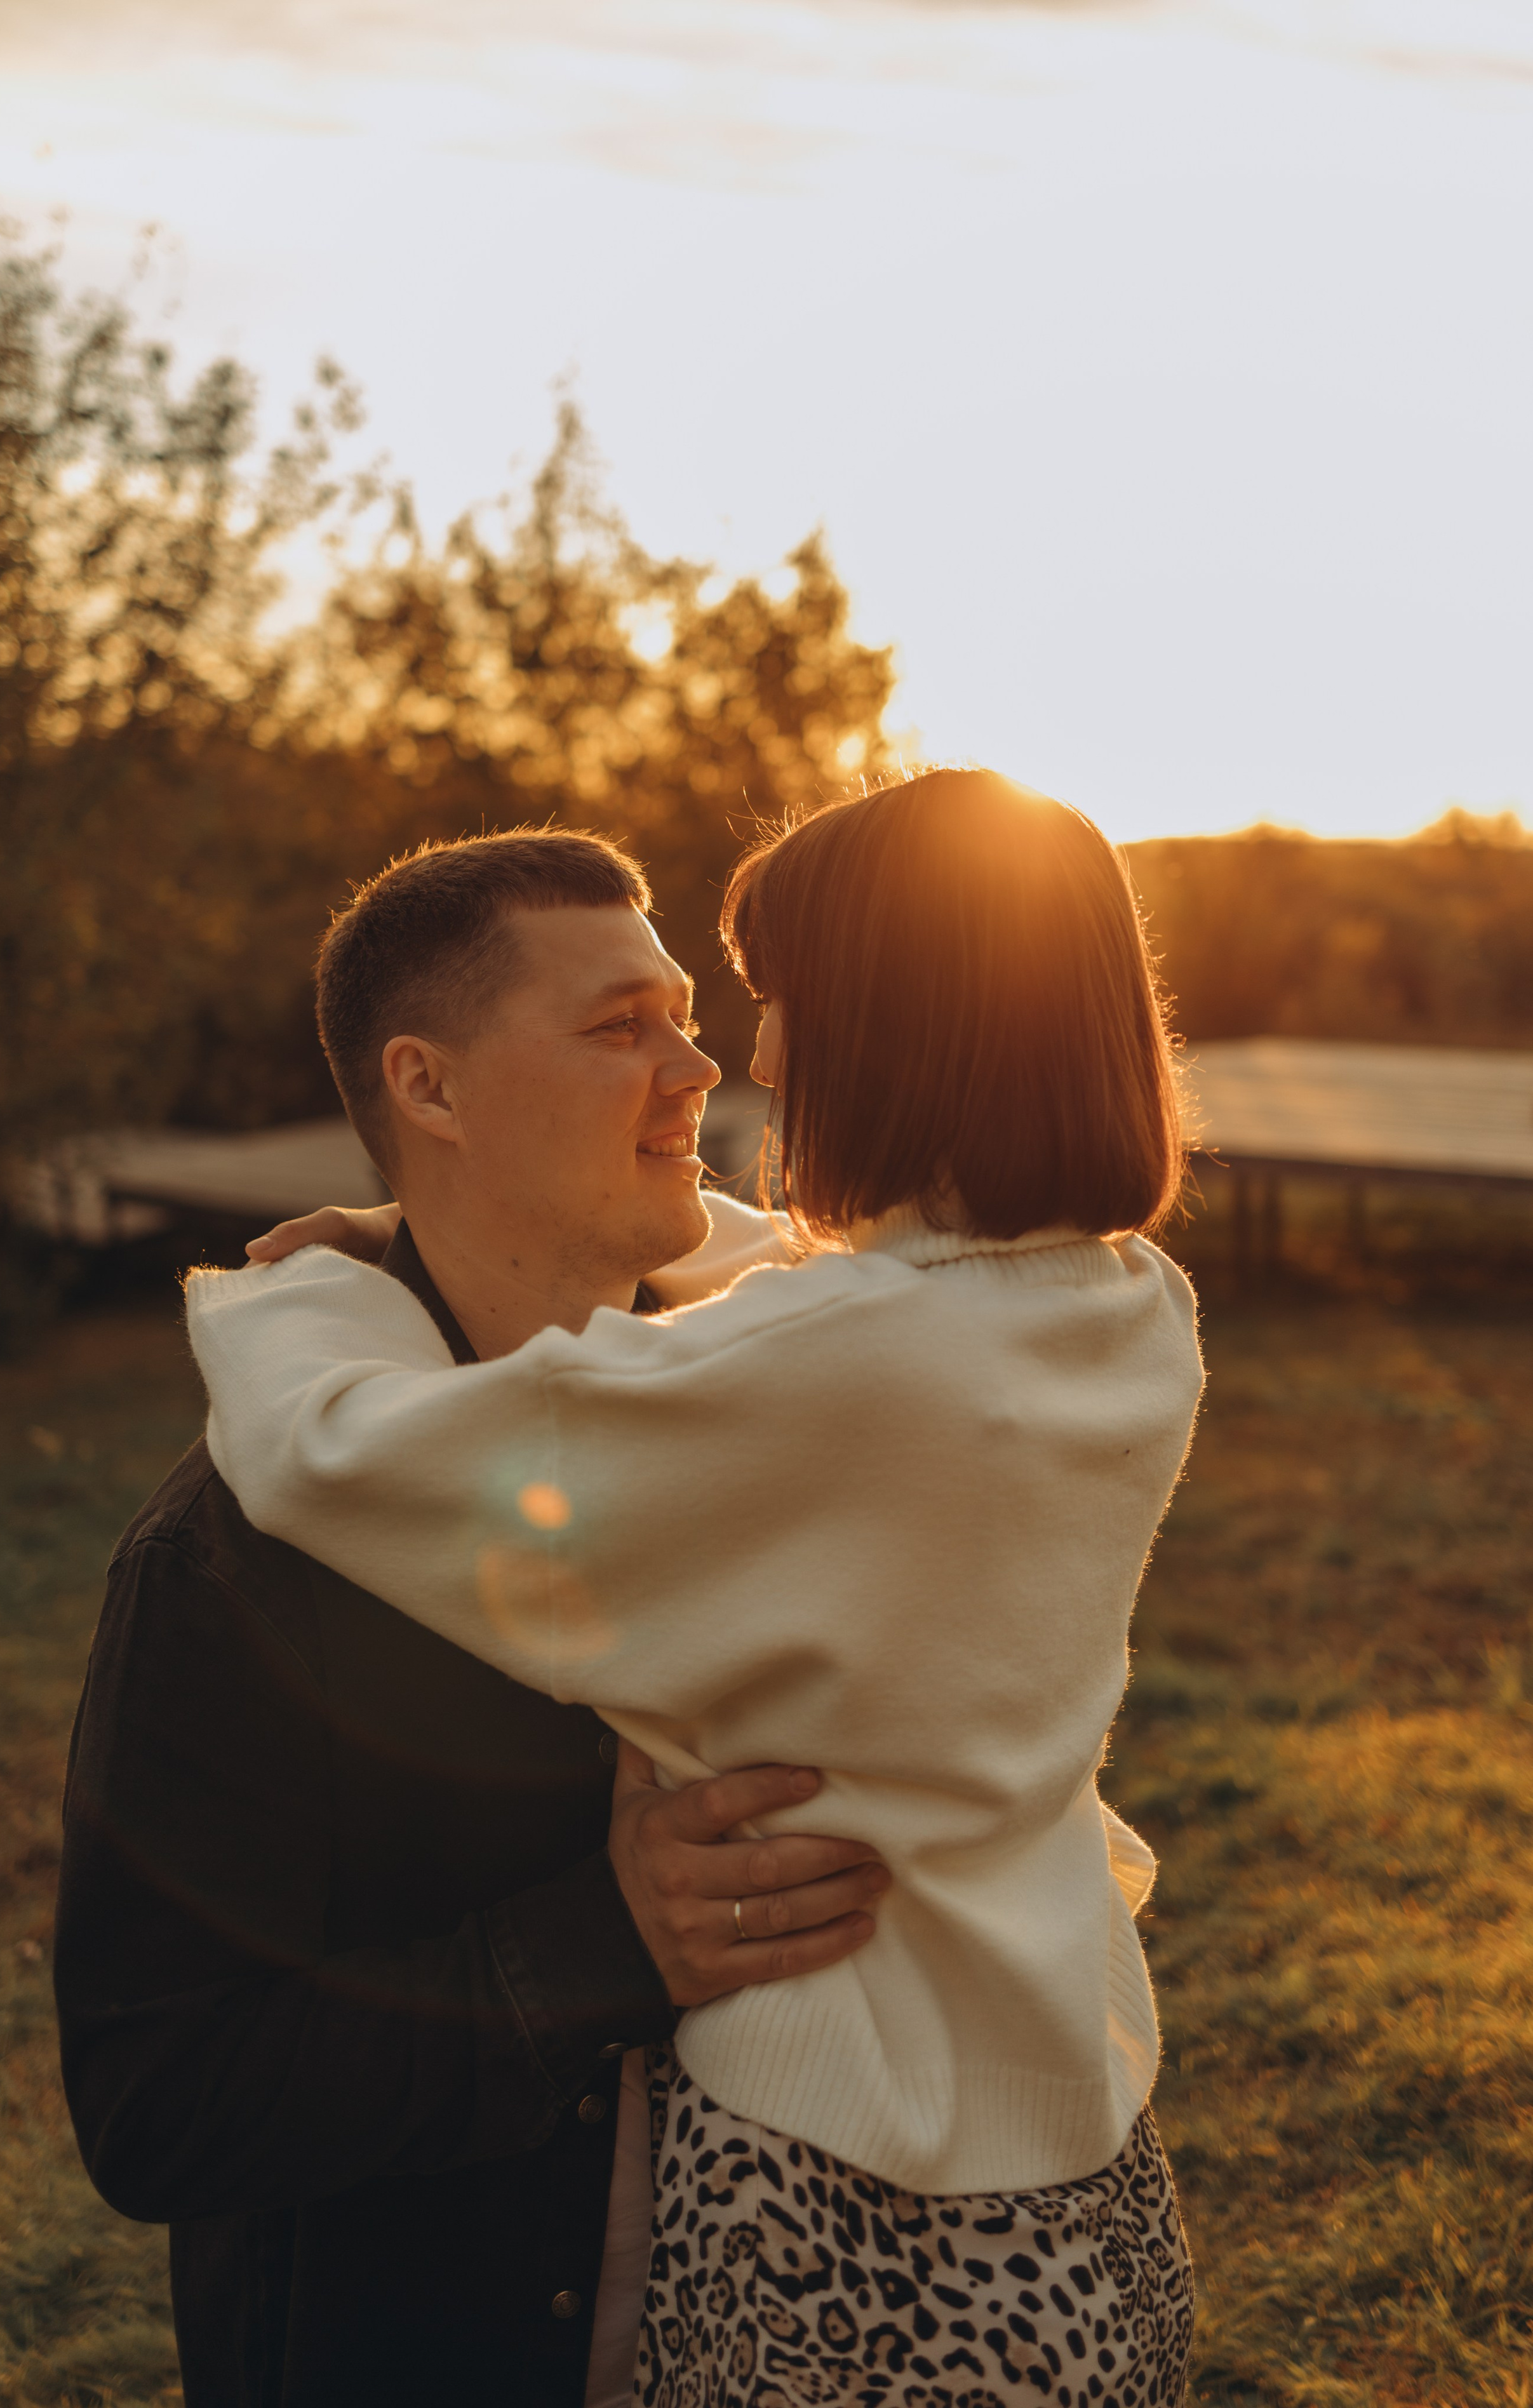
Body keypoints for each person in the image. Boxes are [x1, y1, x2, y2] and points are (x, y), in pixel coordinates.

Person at [187, 766, 1207, 2408]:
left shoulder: (837, 1365)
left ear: (900, 1025)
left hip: (849, 2182)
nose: (760, 1052)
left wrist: (297, 1297)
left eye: (778, 998)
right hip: (1075, 2139)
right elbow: (839, 1294)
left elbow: (337, 1457)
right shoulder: (1121, 1305)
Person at [52, 831, 893, 2408]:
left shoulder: (789, 1412)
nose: (698, 1064)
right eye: (615, 1027)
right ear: (427, 1090)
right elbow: (158, 2101)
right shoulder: (236, 1556)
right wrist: (602, 1949)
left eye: (685, 1014)